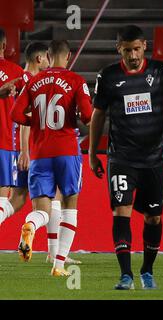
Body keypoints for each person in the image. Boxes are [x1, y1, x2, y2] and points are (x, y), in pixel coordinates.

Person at [89, 25, 163, 290]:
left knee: (153, 217)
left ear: (144, 46)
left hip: (154, 159)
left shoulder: (162, 72)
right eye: (127, 50)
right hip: (121, 157)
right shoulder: (108, 76)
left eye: (136, 49)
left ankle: (147, 270)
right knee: (120, 211)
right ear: (118, 49)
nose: (132, 55)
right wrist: (92, 152)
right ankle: (125, 275)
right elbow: (98, 115)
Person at [11, 40, 92, 276]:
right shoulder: (76, 81)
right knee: (69, 207)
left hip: (39, 153)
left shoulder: (34, 81)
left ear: (48, 54)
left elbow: (15, 113)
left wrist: (35, 121)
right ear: (68, 57)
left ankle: (30, 226)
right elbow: (88, 116)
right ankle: (58, 266)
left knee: (44, 209)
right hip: (66, 150)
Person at [0, 28, 27, 226]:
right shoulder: (16, 72)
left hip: (6, 142)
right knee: (2, 198)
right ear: (4, 46)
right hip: (4, 142)